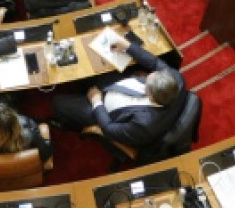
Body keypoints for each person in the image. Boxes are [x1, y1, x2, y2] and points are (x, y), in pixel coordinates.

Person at [50, 32, 184, 147]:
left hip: (105, 111)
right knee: (89, 64)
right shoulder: (176, 78)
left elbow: (109, 128)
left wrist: (96, 102)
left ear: (151, 95)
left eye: (147, 82)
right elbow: (154, 63)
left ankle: (69, 124)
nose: (149, 74)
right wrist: (128, 47)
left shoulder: (143, 126)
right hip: (117, 85)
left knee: (58, 102)